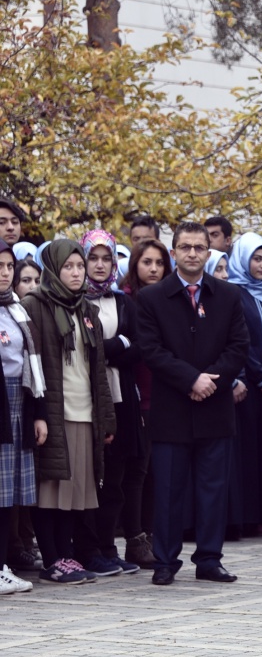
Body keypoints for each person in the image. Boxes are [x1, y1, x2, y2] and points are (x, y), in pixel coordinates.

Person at [134, 224, 249, 585]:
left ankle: (209, 559)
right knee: (168, 490)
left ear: (208, 252)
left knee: (213, 488)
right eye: (185, 247)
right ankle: (166, 560)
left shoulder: (228, 295)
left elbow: (238, 346)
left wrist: (210, 380)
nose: (193, 254)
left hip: (214, 407)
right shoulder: (152, 298)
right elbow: (150, 349)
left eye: (200, 247)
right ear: (174, 252)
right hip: (173, 408)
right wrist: (190, 380)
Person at [26, 239, 116, 585]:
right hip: (54, 413)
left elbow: (98, 371)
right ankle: (52, 559)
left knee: (75, 490)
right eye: (69, 267)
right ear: (53, 269)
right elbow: (32, 367)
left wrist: (106, 418)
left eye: (80, 267)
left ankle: (67, 555)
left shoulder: (86, 310)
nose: (77, 273)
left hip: (85, 411)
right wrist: (38, 413)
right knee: (51, 490)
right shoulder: (36, 305)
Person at [75, 231, 143, 576]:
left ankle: (108, 546)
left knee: (115, 479)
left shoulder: (123, 302)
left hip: (121, 400)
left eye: (107, 258)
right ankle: (88, 549)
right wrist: (117, 345)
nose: (100, 265)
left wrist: (108, 348)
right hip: (86, 401)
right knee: (90, 478)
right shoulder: (74, 302)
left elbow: (139, 346)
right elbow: (83, 352)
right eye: (93, 258)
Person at [118, 237, 170, 568]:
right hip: (135, 396)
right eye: (146, 262)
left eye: (159, 263)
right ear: (135, 265)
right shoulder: (126, 301)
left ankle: (152, 536)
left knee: (156, 472)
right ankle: (134, 539)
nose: (153, 268)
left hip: (166, 397)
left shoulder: (171, 300)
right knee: (136, 470)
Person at [0, 240, 44, 595]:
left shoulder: (16, 308)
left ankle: (3, 565)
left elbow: (32, 362)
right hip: (0, 400)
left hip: (18, 399)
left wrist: (37, 413)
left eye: (8, 266)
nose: (4, 272)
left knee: (7, 493)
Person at [228, 233, 262, 540]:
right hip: (250, 386)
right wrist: (260, 378)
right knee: (247, 452)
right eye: (256, 258)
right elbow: (242, 343)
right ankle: (245, 517)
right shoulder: (234, 293)